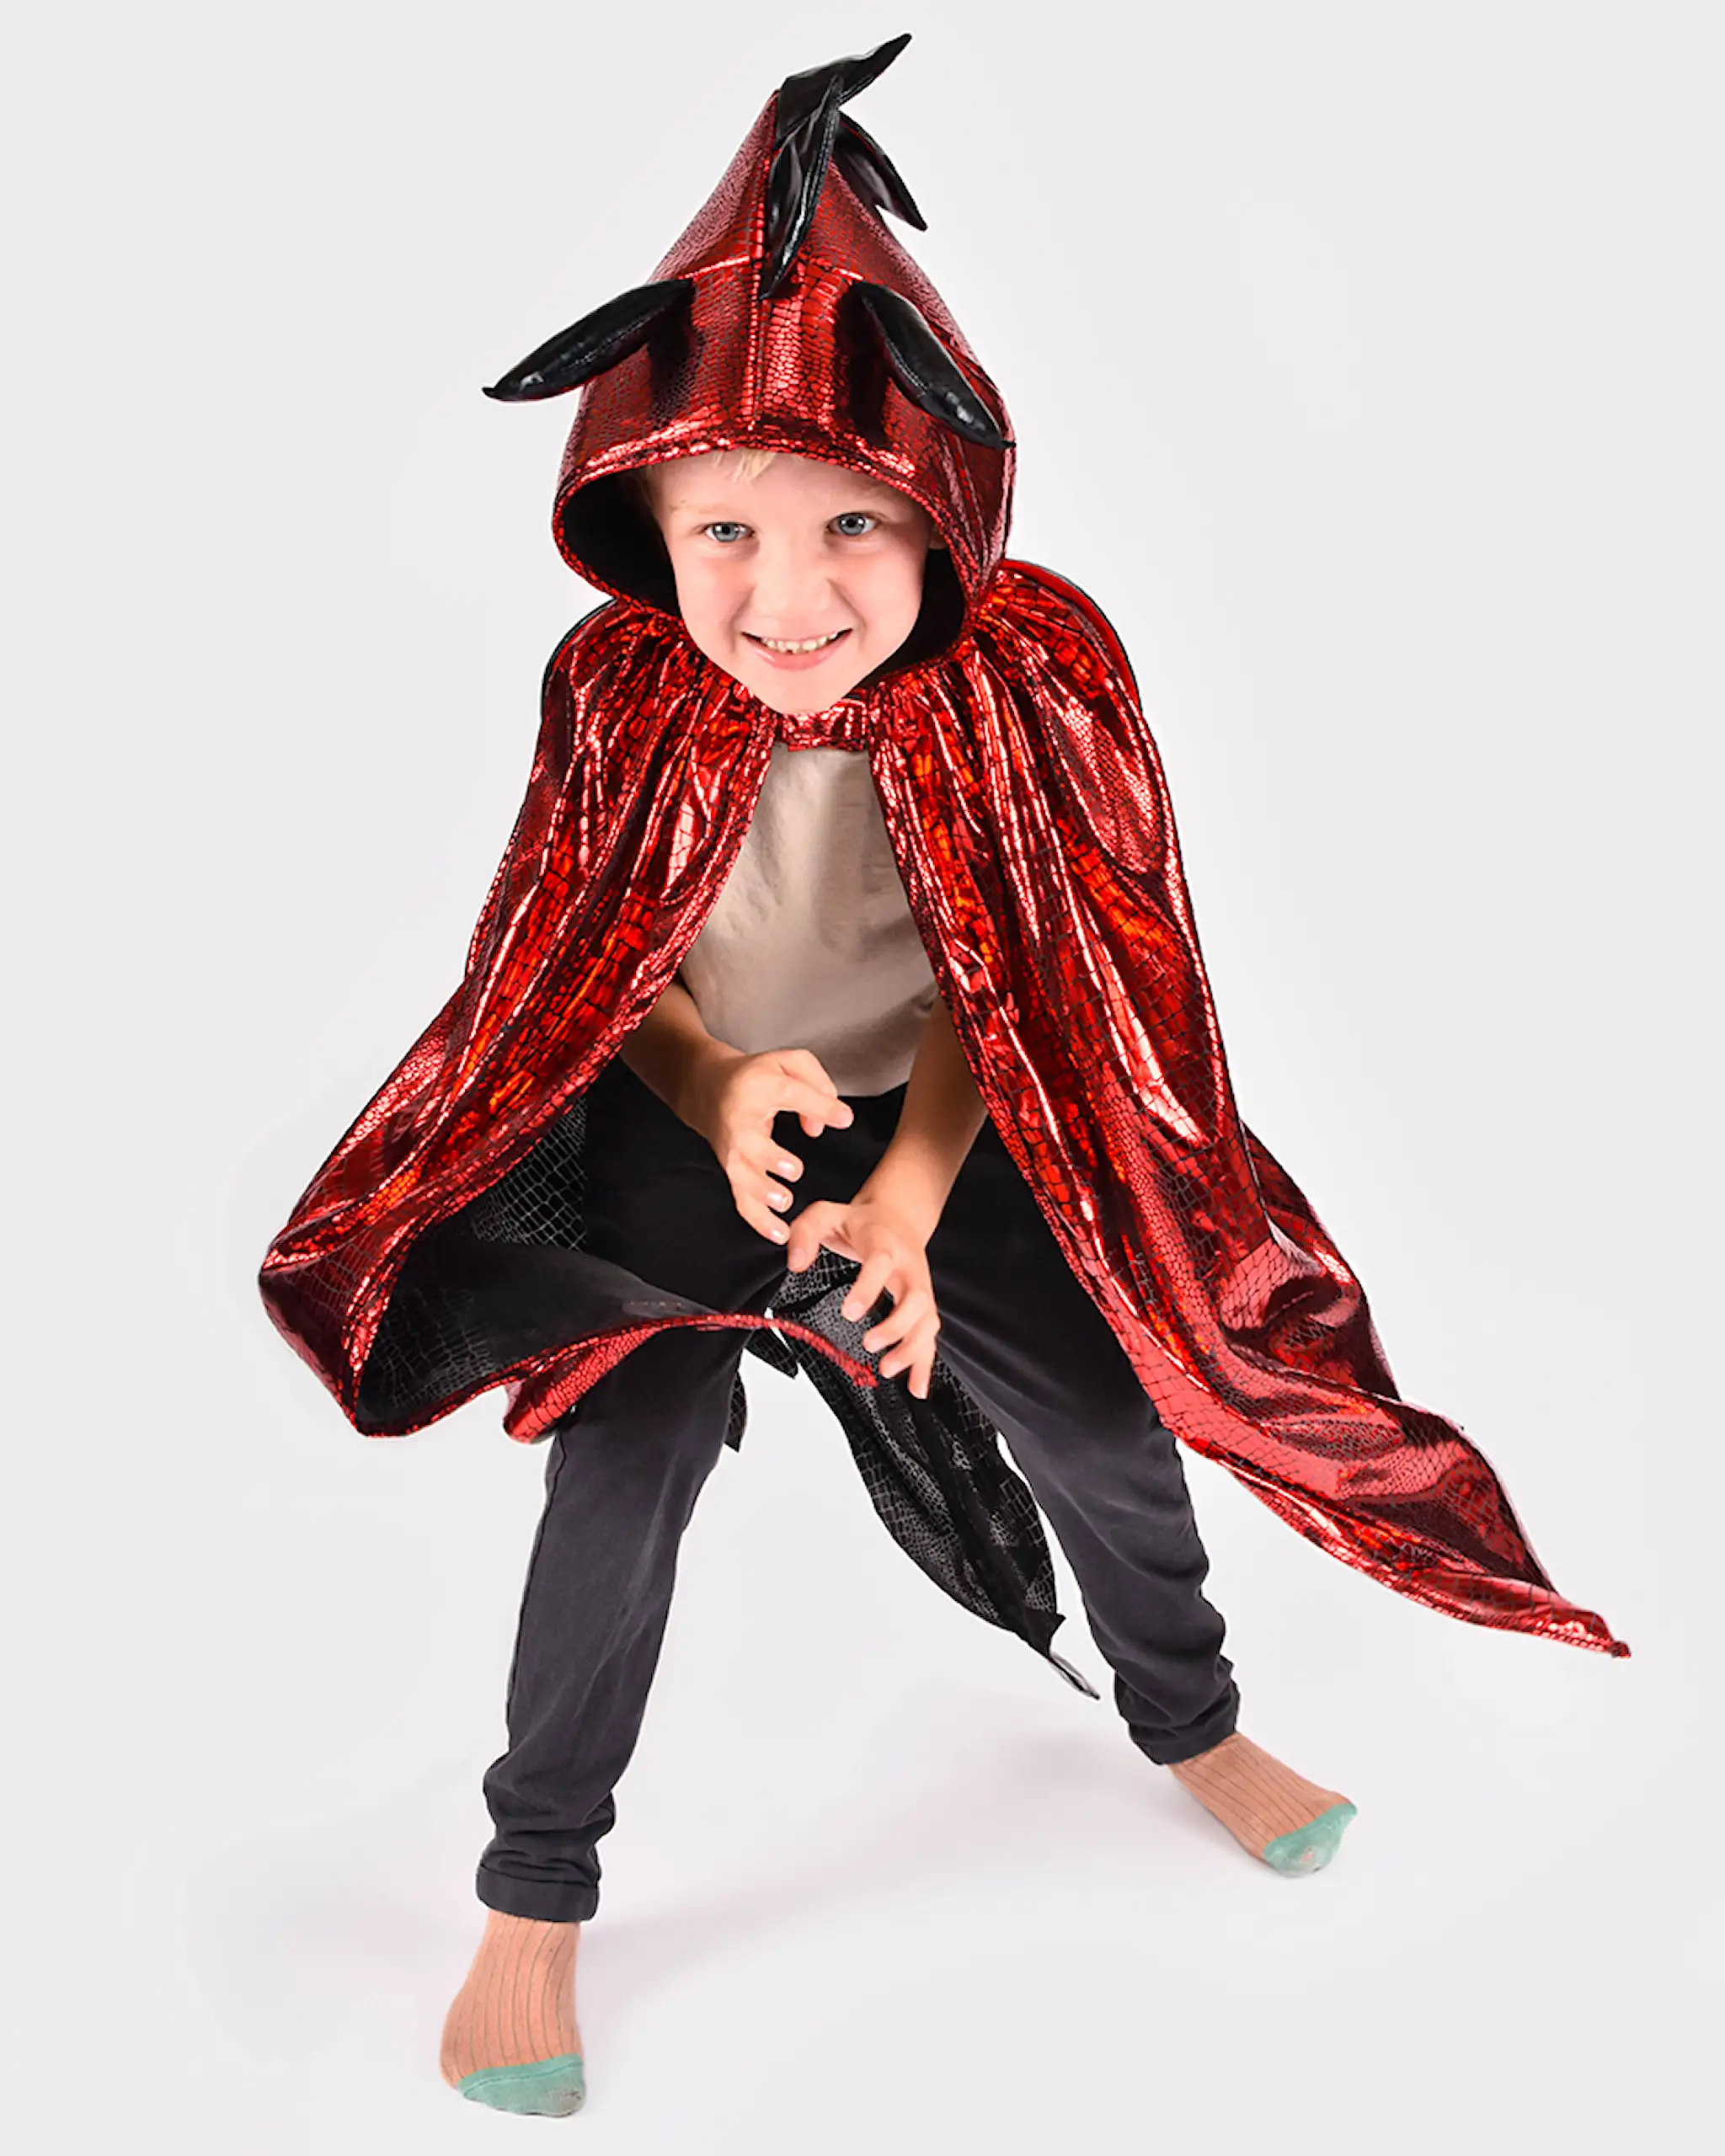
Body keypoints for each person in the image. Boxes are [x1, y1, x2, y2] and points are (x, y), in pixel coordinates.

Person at [257, 36, 1625, 2121]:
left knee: (1101, 1417)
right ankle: (533, 1893)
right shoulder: (618, 692)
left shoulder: (1030, 684)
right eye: (725, 527)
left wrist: (903, 1196)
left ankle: (1189, 1720)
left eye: (852, 523)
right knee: (624, 1456)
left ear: (942, 507)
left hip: (956, 1120)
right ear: (644, 516)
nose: (787, 595)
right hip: (689, 1122)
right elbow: (574, 970)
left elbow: (1048, 996)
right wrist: (718, 1085)